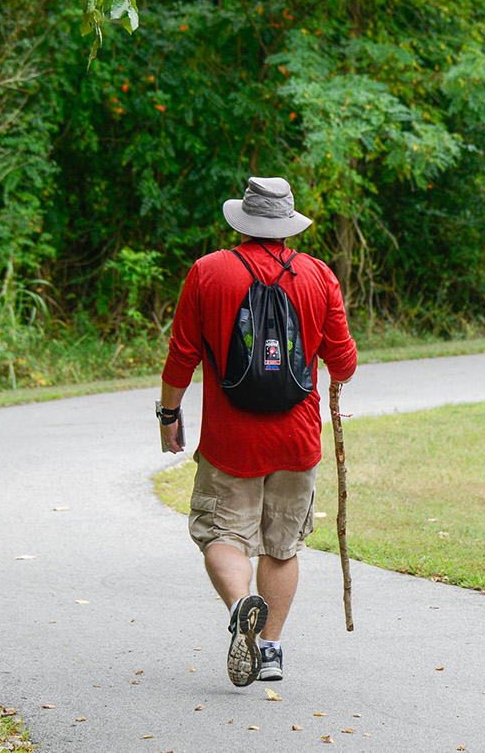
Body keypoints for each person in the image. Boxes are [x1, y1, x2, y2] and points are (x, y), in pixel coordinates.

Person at [157, 176, 358, 688]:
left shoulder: (208, 272)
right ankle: (269, 649)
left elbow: (182, 354)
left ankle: (242, 602)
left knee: (220, 534)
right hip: (296, 440)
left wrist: (169, 415)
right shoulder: (318, 275)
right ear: (288, 224)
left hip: (231, 443)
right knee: (282, 545)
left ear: (243, 220)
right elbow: (344, 361)